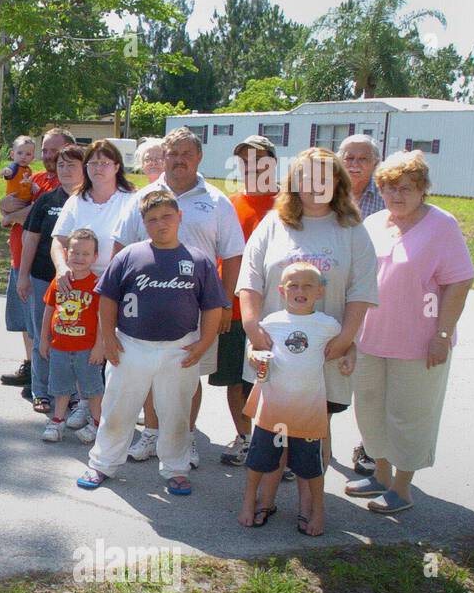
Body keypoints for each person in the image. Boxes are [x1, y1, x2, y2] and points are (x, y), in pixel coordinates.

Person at [237, 147, 379, 521]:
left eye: (324, 176)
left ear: (338, 182)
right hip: (274, 350)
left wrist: (345, 339)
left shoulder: (352, 230)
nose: (315, 185)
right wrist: (253, 327)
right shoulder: (273, 223)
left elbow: (363, 291)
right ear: (294, 182)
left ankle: (308, 504)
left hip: (323, 352)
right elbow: (249, 282)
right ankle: (265, 499)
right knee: (273, 427)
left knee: (315, 431)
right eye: (307, 176)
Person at [348, 151, 473, 514]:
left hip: (420, 342)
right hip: (371, 337)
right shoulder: (372, 223)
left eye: (405, 188)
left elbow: (460, 281)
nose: (396, 195)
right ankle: (380, 475)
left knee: (408, 415)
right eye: (388, 188)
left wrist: (443, 335)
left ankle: (401, 489)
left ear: (423, 190)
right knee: (370, 411)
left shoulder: (442, 225)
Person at [76, 190, 224, 494]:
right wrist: (108, 339)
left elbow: (212, 307)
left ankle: (176, 467)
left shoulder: (197, 261)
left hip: (179, 348)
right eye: (152, 219)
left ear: (179, 217)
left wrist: (203, 343)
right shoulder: (129, 255)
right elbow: (108, 300)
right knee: (118, 407)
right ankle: (103, 463)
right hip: (131, 345)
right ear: (144, 223)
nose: (161, 224)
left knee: (176, 412)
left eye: (167, 216)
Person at [113, 127, 243, 468]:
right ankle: (153, 434)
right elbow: (120, 247)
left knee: (187, 374)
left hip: (197, 306)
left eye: (187, 153)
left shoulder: (217, 201)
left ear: (199, 158)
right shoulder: (142, 197)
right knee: (150, 374)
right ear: (164, 157)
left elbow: (232, 256)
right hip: (144, 305)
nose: (180, 159)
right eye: (174, 153)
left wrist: (225, 303)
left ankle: (184, 437)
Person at [238, 263, 351, 535]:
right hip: (272, 409)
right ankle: (251, 502)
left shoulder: (327, 325)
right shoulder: (272, 321)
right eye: (293, 285)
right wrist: (254, 356)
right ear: (281, 291)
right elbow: (255, 347)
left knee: (310, 468)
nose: (300, 291)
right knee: (259, 461)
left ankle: (315, 511)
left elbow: (349, 343)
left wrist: (349, 356)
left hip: (309, 410)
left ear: (320, 292)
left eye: (308, 285)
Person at [214, 135, 279, 467]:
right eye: (245, 161)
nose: (252, 167)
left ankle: (280, 449)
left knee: (273, 383)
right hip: (235, 311)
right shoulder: (229, 204)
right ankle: (245, 438)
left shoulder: (287, 204)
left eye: (260, 160)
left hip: (276, 314)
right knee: (235, 381)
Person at [0, 128, 72, 394]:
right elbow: (5, 205)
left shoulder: (65, 181)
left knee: (46, 321)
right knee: (26, 320)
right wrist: (9, 212)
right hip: (19, 258)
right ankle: (31, 367)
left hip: (45, 265)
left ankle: (50, 377)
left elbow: (37, 211)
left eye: (55, 150)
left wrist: (14, 216)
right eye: (45, 150)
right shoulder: (35, 176)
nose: (49, 155)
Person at [16, 143, 84, 414]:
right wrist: (23, 277)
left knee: (77, 339)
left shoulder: (92, 201)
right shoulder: (46, 200)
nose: (66, 170)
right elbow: (30, 239)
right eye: (61, 165)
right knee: (41, 335)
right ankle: (40, 391)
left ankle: (76, 395)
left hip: (82, 284)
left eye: (72, 165)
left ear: (84, 169)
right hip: (44, 278)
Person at [338, 133, 385, 476]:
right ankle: (306, 442)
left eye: (362, 159)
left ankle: (369, 445)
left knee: (368, 379)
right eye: (349, 158)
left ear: (374, 164)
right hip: (330, 292)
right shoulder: (326, 194)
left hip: (371, 297)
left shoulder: (385, 199)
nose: (354, 164)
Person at [39, 228, 104, 443]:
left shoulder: (96, 285)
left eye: (86, 254)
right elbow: (49, 309)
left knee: (92, 388)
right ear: (66, 253)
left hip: (86, 348)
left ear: (95, 257)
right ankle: (58, 421)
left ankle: (97, 423)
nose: (79, 258)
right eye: (75, 253)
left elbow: (102, 318)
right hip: (60, 346)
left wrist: (99, 346)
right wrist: (43, 339)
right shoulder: (59, 282)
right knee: (61, 387)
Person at [50, 139, 137, 278]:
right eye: (93, 163)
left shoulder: (133, 200)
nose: (98, 168)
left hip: (119, 281)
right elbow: (59, 241)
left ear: (116, 167)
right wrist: (61, 268)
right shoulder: (76, 200)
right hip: (79, 283)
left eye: (104, 163)